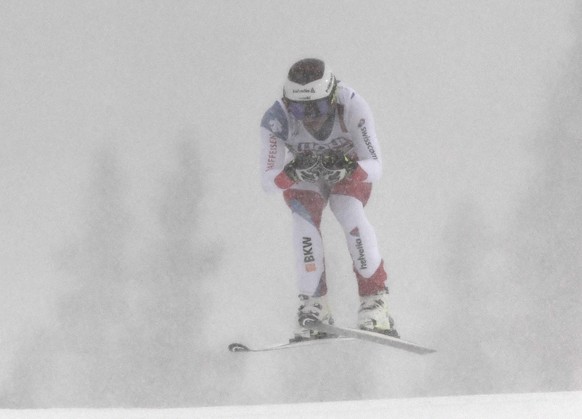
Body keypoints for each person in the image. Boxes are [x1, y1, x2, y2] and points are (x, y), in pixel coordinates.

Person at [259, 58, 399, 342]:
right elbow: (268, 182)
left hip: (348, 169)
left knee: (347, 209)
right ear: (288, 104)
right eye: (299, 109)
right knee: (303, 221)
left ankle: (375, 302)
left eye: (319, 107)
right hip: (303, 173)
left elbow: (375, 167)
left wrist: (349, 167)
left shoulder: (353, 106)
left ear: (333, 97)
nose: (310, 117)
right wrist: (290, 172)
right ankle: (314, 304)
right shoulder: (276, 118)